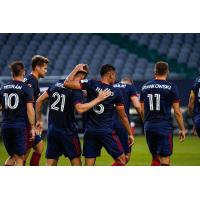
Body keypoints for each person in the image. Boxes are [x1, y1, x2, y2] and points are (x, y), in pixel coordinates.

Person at [36, 70, 111, 166]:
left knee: (50, 164)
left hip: (53, 131)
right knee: (76, 162)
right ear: (82, 77)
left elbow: (39, 101)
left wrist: (39, 120)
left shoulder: (57, 83)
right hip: (68, 132)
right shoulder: (75, 90)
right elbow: (80, 109)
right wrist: (98, 99)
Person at [64, 64, 134, 166]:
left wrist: (75, 69)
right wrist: (130, 134)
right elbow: (123, 116)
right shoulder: (115, 92)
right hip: (106, 131)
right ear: (110, 75)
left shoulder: (91, 83)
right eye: (114, 75)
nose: (115, 78)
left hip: (90, 131)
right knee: (122, 160)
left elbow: (67, 83)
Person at [140, 61, 186, 166]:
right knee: (165, 159)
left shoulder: (144, 87)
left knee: (155, 158)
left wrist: (146, 123)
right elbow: (177, 112)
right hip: (164, 127)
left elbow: (142, 110)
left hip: (149, 126)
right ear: (167, 71)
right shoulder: (171, 87)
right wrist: (182, 129)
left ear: (154, 71)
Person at [0, 61, 35, 166]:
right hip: (19, 127)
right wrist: (32, 127)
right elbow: (30, 109)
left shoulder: (3, 88)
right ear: (23, 72)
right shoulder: (26, 88)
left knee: (12, 156)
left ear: (12, 73)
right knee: (20, 157)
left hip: (5, 126)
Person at [23, 55, 48, 165]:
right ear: (37, 67)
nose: (46, 71)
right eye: (44, 68)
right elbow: (26, 104)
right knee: (21, 155)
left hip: (25, 121)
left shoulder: (30, 79)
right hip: (25, 122)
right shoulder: (32, 82)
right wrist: (32, 124)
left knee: (39, 146)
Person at [112, 76, 141, 163]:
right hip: (123, 124)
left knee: (118, 157)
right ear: (130, 82)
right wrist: (144, 117)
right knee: (125, 157)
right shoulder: (130, 87)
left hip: (108, 124)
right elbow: (137, 105)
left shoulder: (111, 87)